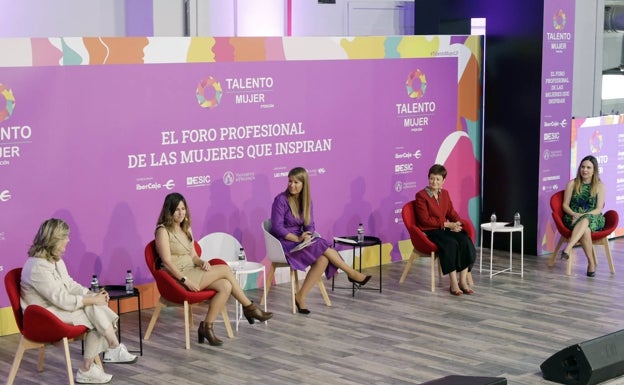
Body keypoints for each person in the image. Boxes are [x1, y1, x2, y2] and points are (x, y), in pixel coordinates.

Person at [21, 218, 137, 384]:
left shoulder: (56, 260)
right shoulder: (37, 267)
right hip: (43, 317)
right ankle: (107, 351)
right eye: (65, 237)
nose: (68, 240)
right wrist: (93, 300)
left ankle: (98, 360)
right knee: (93, 315)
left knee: (94, 311)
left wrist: (91, 294)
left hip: (57, 309)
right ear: (54, 240)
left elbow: (70, 285)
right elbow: (62, 300)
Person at [155, 192, 272, 346]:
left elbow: (193, 256)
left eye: (183, 209)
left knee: (226, 285)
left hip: (192, 270)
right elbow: (167, 261)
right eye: (177, 209)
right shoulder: (162, 231)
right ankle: (249, 307)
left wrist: (202, 262)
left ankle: (207, 327)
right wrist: (185, 280)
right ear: (169, 211)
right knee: (224, 269)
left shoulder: (186, 228)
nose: (181, 213)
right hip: (178, 278)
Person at [270, 167, 371, 314]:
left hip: (301, 241)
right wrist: (297, 238)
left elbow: (309, 224)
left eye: (296, 182)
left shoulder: (306, 200)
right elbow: (278, 228)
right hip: (285, 244)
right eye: (290, 181)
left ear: (304, 184)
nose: (292, 185)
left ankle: (300, 296)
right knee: (323, 243)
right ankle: (352, 273)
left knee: (323, 260)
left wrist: (308, 235)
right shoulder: (280, 200)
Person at [414, 164, 476, 296]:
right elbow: (425, 220)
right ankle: (453, 283)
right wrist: (447, 225)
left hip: (443, 229)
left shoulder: (445, 194)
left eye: (437, 179)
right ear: (428, 178)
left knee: (464, 239)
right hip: (430, 231)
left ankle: (462, 281)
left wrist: (458, 223)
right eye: (431, 178)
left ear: (443, 181)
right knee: (450, 244)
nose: (434, 182)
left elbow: (451, 212)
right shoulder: (421, 196)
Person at [560, 155, 606, 277]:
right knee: (585, 230)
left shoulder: (600, 186)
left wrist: (584, 215)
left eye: (588, 168)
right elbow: (565, 205)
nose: (585, 170)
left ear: (594, 170)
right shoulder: (572, 184)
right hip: (573, 217)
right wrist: (575, 214)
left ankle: (568, 248)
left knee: (586, 219)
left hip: (594, 217)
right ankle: (591, 263)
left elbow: (598, 209)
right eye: (583, 167)